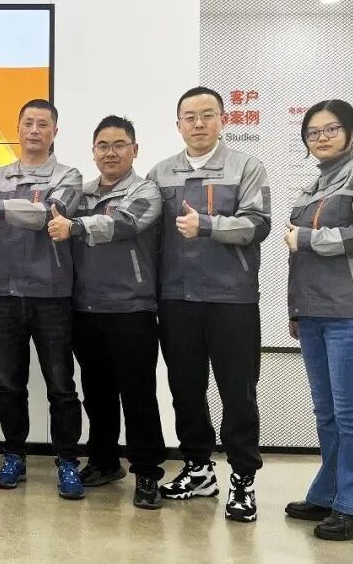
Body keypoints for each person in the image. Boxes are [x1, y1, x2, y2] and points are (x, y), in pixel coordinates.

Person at [147, 86, 271, 522]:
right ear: (178, 124)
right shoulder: (160, 172)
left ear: (223, 120)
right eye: (190, 117)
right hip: (177, 299)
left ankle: (243, 479)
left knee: (238, 392)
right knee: (185, 389)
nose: (198, 124)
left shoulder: (246, 166)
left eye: (207, 115)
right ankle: (198, 469)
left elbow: (258, 224)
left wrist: (207, 225)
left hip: (231, 299)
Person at [46, 115, 165, 509]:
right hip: (86, 308)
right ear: (93, 151)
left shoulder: (146, 190)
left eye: (119, 144)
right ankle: (104, 461)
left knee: (138, 394)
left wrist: (75, 226)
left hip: (131, 308)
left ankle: (146, 472)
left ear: (135, 149)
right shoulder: (80, 193)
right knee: (97, 393)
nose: (110, 153)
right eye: (103, 146)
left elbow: (124, 223)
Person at [0, 99, 85, 499]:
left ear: (55, 131)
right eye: (28, 123)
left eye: (43, 124)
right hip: (5, 295)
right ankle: (13, 457)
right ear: (17, 128)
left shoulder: (69, 176)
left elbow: (48, 214)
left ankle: (68, 461)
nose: (34, 130)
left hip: (51, 295)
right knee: (10, 384)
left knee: (61, 384)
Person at [284, 99, 353, 541]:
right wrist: (296, 310)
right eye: (313, 132)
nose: (321, 138)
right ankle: (329, 493)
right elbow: (297, 259)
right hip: (315, 312)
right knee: (327, 412)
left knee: (352, 413)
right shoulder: (311, 188)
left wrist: (309, 237)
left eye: (331, 129)